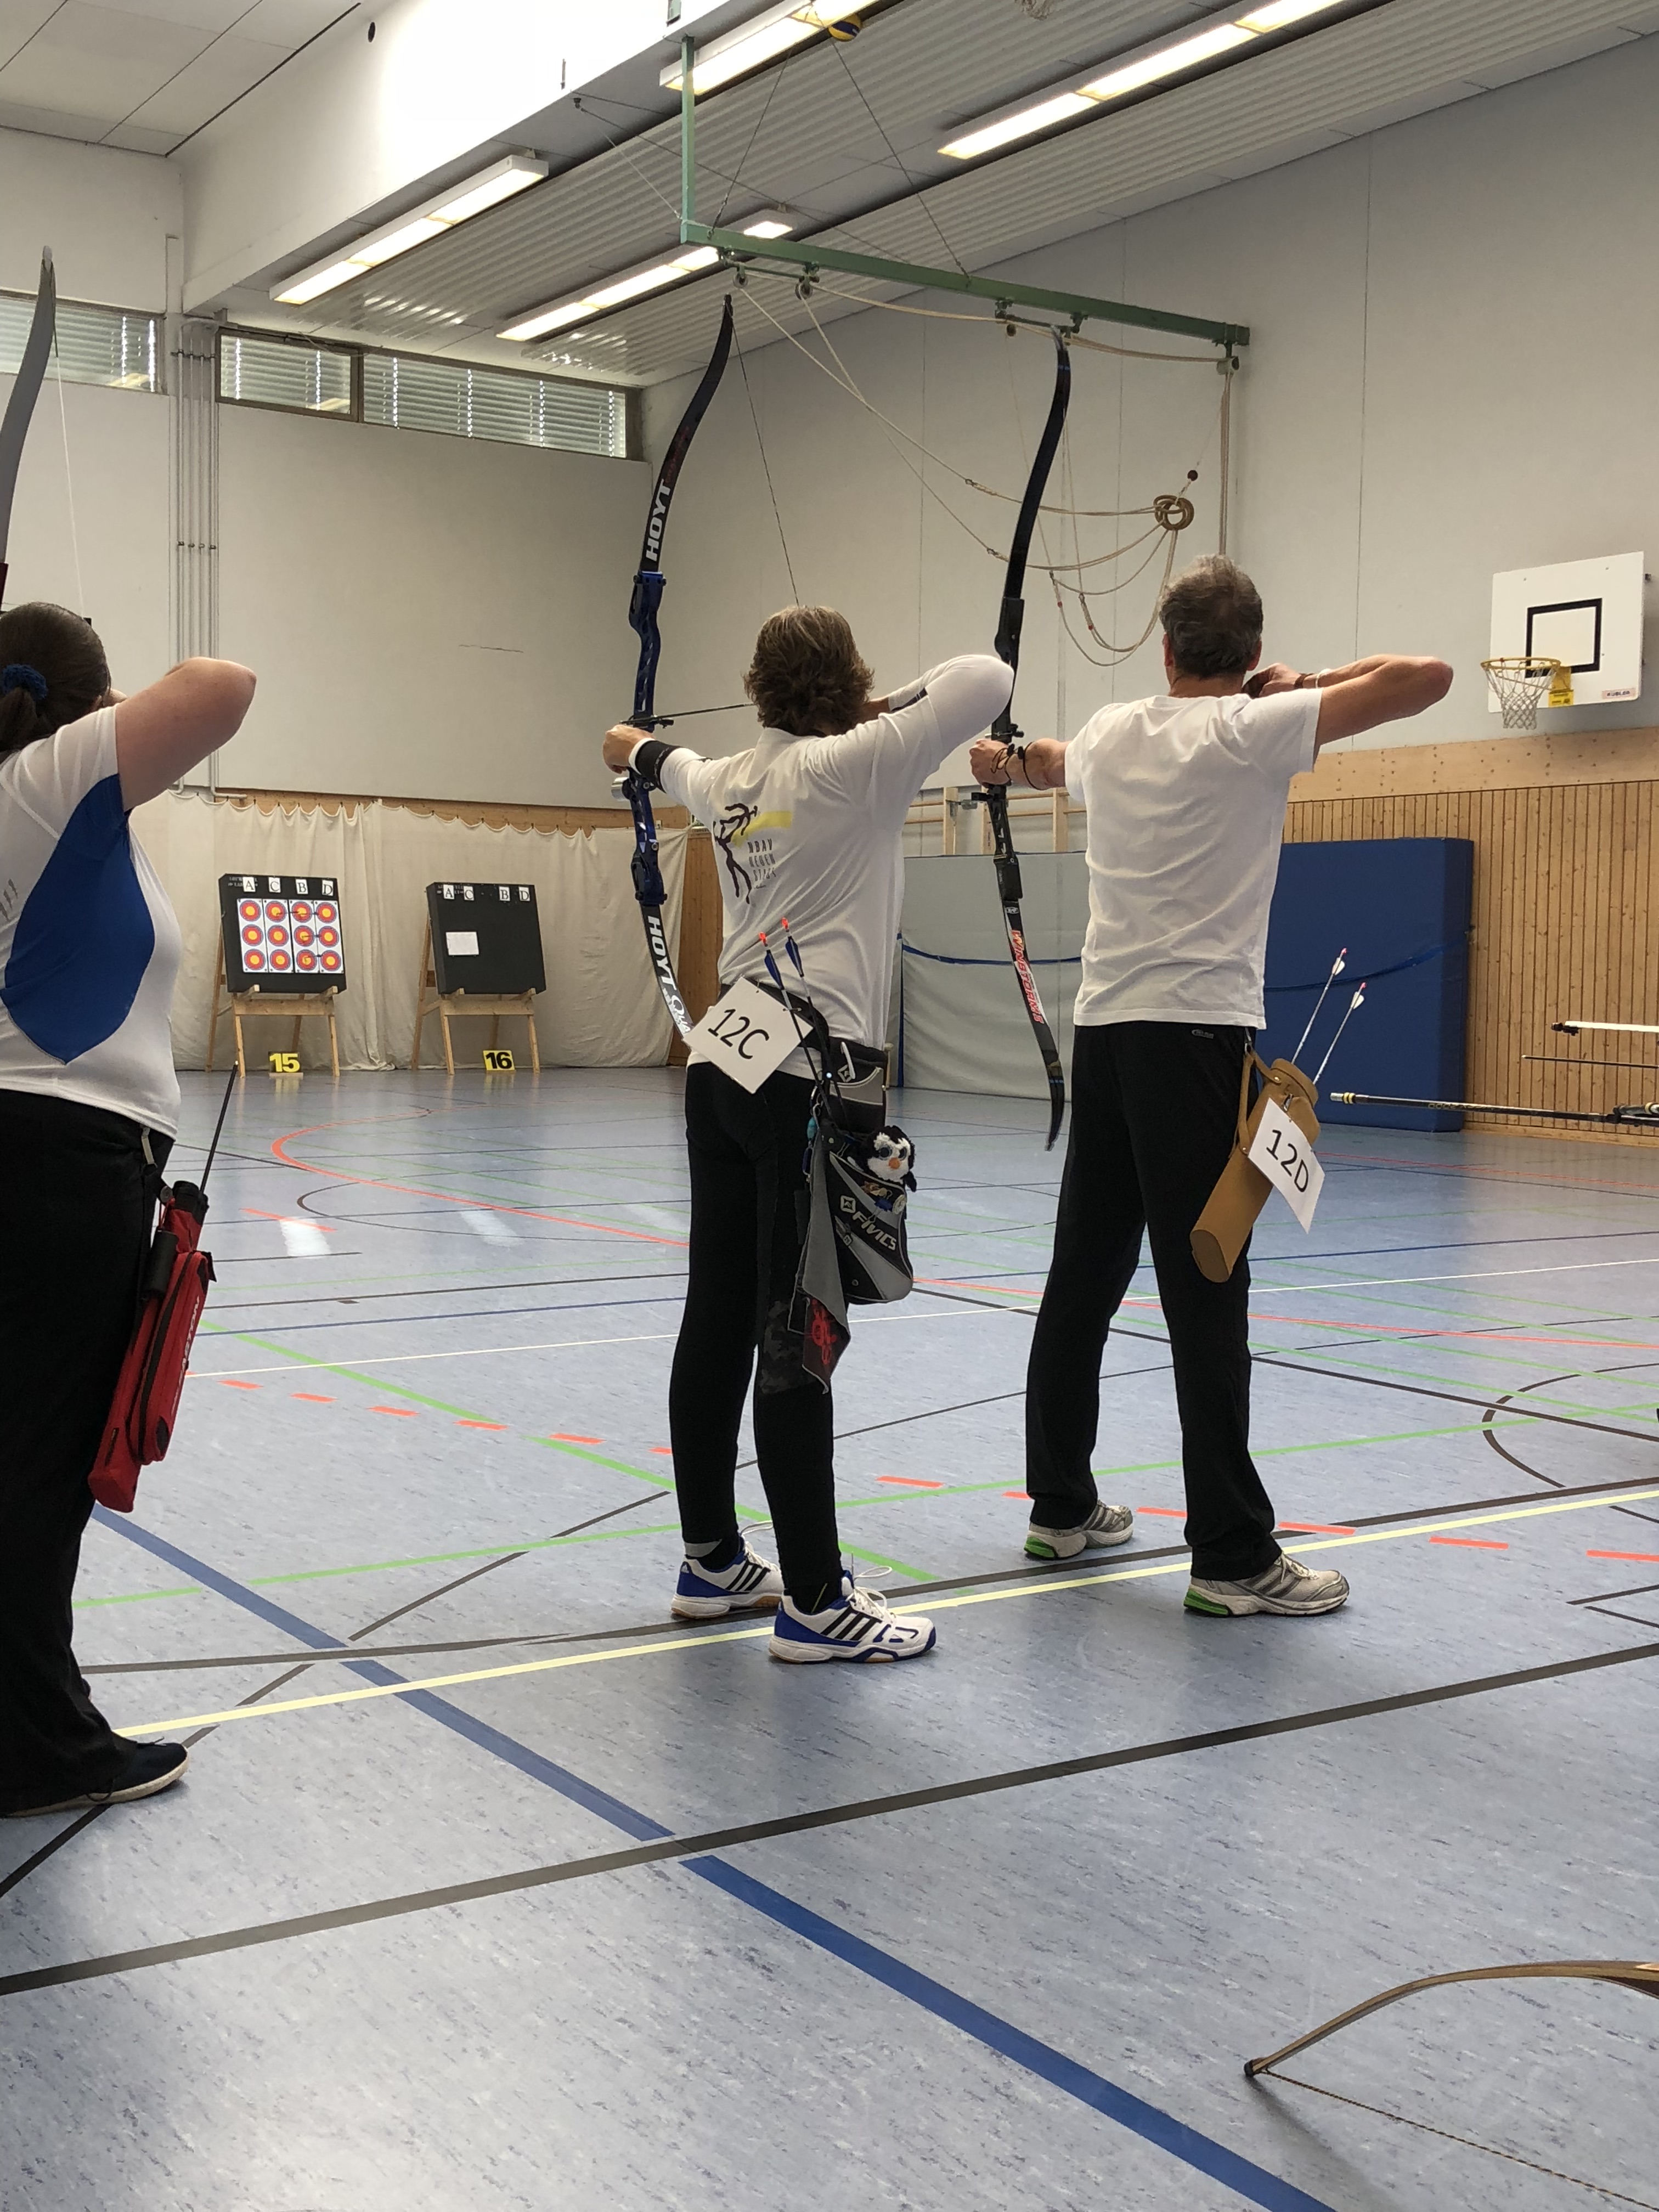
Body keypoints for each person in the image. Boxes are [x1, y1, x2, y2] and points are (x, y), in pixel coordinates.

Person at [969, 555, 1452, 1617]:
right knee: (1207, 1287)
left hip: (1108, 1034)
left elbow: (1050, 761)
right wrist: (1302, 683)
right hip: (1191, 1041)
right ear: (1249, 652)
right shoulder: (1254, 728)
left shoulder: (1112, 731)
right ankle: (1232, 1558)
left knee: (1084, 1276)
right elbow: (1428, 675)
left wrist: (1006, 764)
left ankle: (1060, 1506)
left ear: (1165, 650)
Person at [603, 606, 1012, 1662]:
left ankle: (710, 1559)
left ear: (758, 687)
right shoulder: (858, 761)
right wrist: (883, 706)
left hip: (722, 1068)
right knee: (799, 1330)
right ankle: (818, 1604)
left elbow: (641, 751)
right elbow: (987, 674)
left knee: (717, 1316)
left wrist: (640, 750)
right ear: (849, 684)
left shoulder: (726, 779)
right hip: (807, 1084)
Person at [1, 601, 256, 1818]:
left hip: (41, 1153)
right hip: (58, 1163)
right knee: (41, 1466)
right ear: (88, 706)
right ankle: (38, 1748)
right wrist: (100, 724)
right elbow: (222, 682)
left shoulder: (49, 805)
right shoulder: (47, 782)